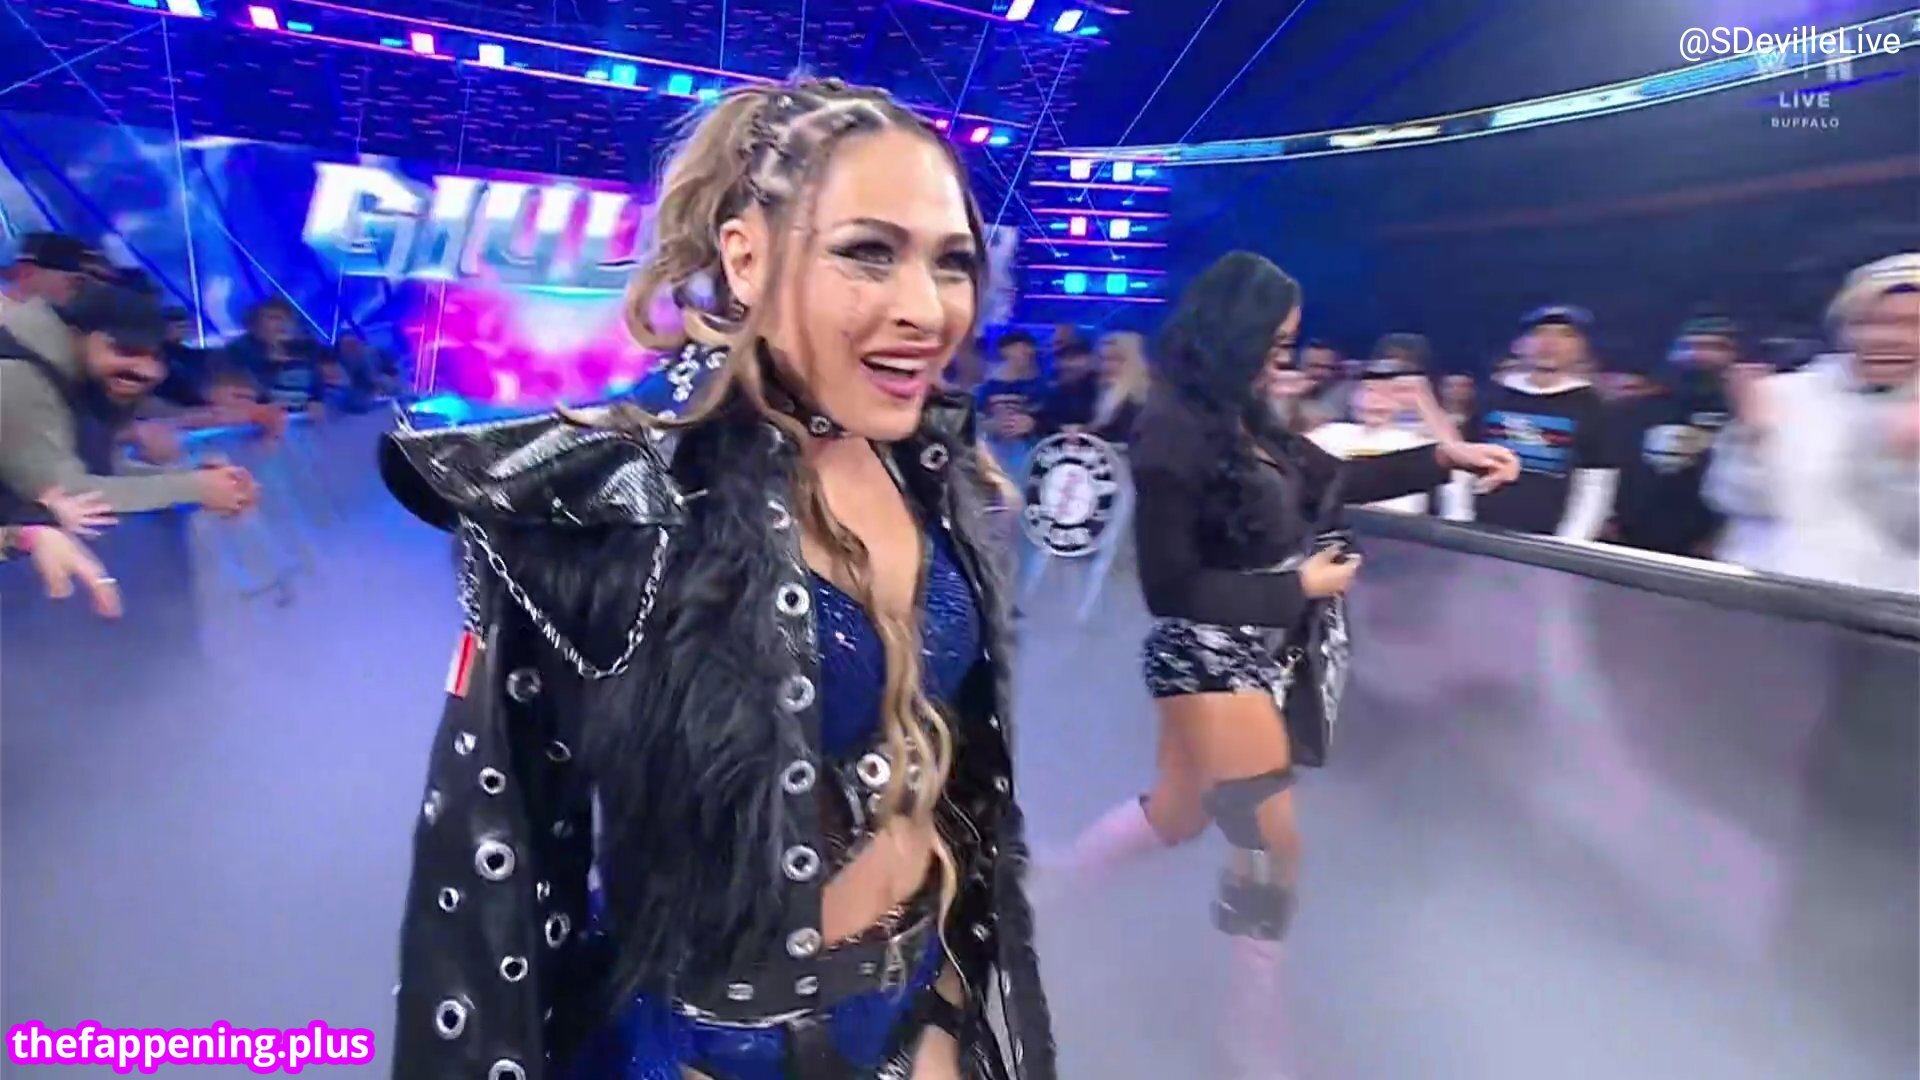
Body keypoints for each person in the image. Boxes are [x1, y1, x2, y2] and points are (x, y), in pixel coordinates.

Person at [379, 77, 1055, 1080]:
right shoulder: (613, 509)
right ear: (746, 257)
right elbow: (490, 888)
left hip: (918, 1017)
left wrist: (948, 1012)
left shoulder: (933, 470)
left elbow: (954, 776)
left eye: (951, 262)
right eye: (868, 252)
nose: (925, 309)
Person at [1048, 252, 1517, 1078]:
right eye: (1276, 340)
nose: (1287, 356)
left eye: (1291, 342)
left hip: (1249, 653)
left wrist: (1448, 458)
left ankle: (1052, 894)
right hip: (1206, 656)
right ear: (1235, 330)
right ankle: (1252, 1029)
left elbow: (1338, 477)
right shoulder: (1172, 431)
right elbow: (1168, 587)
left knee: (1179, 815)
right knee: (1272, 843)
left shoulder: (1248, 419)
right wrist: (1298, 587)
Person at [1704, 253, 1920, 594]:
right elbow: (1729, 497)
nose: (1885, 337)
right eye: (1867, 322)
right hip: (1765, 602)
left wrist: (1901, 464)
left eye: (1911, 324)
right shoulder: (1784, 393)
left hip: (1891, 611)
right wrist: (1754, 436)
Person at [0, 280, 256, 519]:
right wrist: (192, 488)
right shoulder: (15, 375)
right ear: (76, 336)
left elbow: (98, 469)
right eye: (125, 351)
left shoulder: (76, 376)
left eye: (154, 357)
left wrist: (198, 479)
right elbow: (64, 496)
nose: (145, 370)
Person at [1444, 305, 1618, 539]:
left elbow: (1595, 485)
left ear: (1582, 348)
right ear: (1519, 344)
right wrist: (1458, 522)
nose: (1550, 343)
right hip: (1478, 534)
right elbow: (1461, 466)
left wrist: (1570, 544)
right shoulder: (1491, 396)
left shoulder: (1593, 407)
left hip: (1546, 541)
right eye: (1539, 333)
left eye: (1565, 335)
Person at [1604, 315, 1740, 557]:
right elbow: (1606, 463)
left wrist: (1721, 537)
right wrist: (1607, 517)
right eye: (1690, 346)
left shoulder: (1743, 414)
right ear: (1672, 352)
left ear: (1734, 355)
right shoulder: (1634, 408)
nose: (1700, 355)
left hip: (1709, 548)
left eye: (1714, 347)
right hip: (1627, 540)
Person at [1087, 331, 1150, 444]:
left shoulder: (1139, 402)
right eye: (1103, 359)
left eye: (1116, 359)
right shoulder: (1101, 395)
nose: (1106, 366)